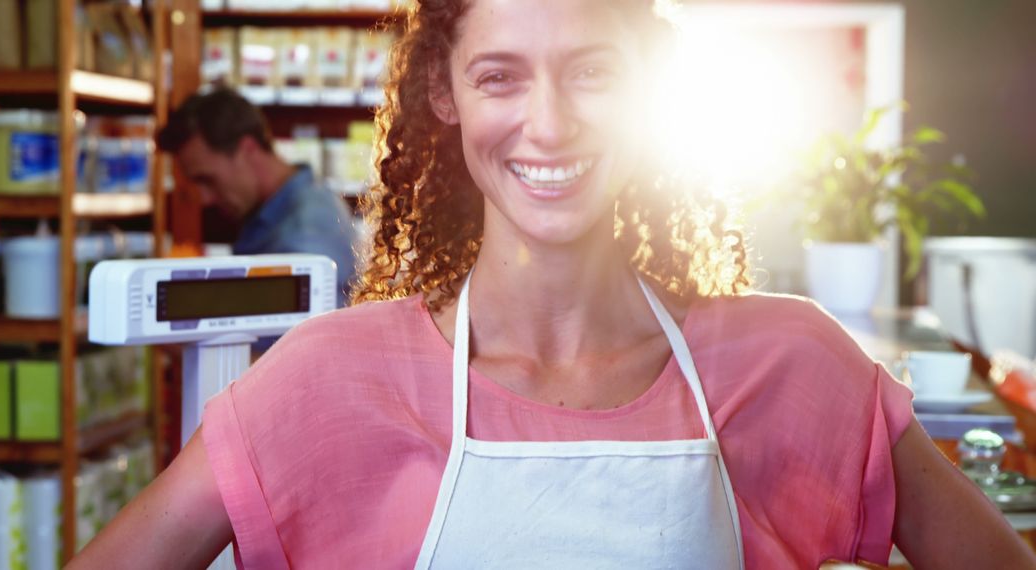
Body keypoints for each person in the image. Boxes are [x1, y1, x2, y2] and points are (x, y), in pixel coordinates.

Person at [73, 1, 1035, 568]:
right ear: (443, 97)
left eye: (592, 73)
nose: (550, 123)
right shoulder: (328, 382)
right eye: (500, 78)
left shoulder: (788, 363)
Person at [156, 88, 358, 307]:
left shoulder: (305, 232)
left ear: (248, 149)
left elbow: (295, 335)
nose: (205, 199)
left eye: (208, 180)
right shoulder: (278, 211)